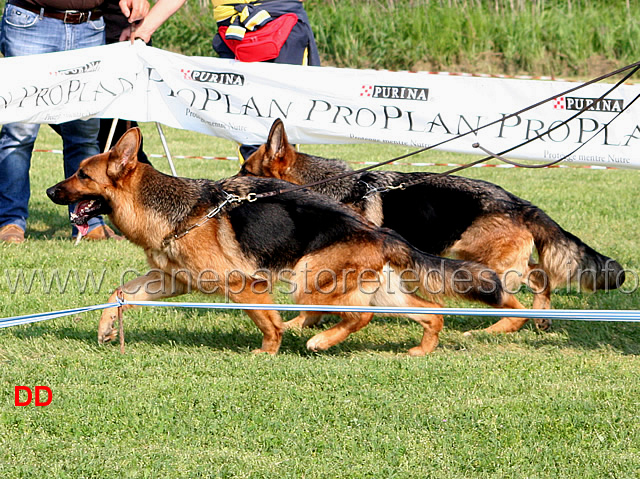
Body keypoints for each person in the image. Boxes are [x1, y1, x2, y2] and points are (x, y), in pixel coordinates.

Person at [0, 0, 149, 244]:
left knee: (84, 135)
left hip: (89, 26)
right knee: (19, 132)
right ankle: (10, 222)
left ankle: (88, 222)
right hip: (31, 21)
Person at [122, 0, 321, 160]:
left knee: (283, 126)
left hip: (282, 26)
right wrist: (145, 31)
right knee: (246, 125)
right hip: (233, 34)